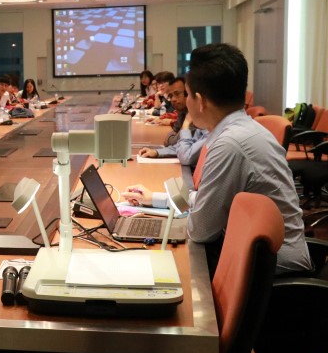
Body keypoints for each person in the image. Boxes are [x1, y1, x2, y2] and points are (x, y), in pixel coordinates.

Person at [122, 43, 312, 277]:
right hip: (254, 251)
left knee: (146, 265)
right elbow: (209, 200)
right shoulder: (239, 129)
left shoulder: (230, 144)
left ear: (200, 101)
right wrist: (156, 199)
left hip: (270, 271)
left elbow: (201, 230)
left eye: (187, 95)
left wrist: (163, 219)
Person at [137, 77, 208, 168]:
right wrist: (157, 152)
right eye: (170, 96)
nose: (173, 99)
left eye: (177, 94)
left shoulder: (202, 123)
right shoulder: (185, 113)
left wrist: (186, 124)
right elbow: (181, 146)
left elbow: (183, 152)